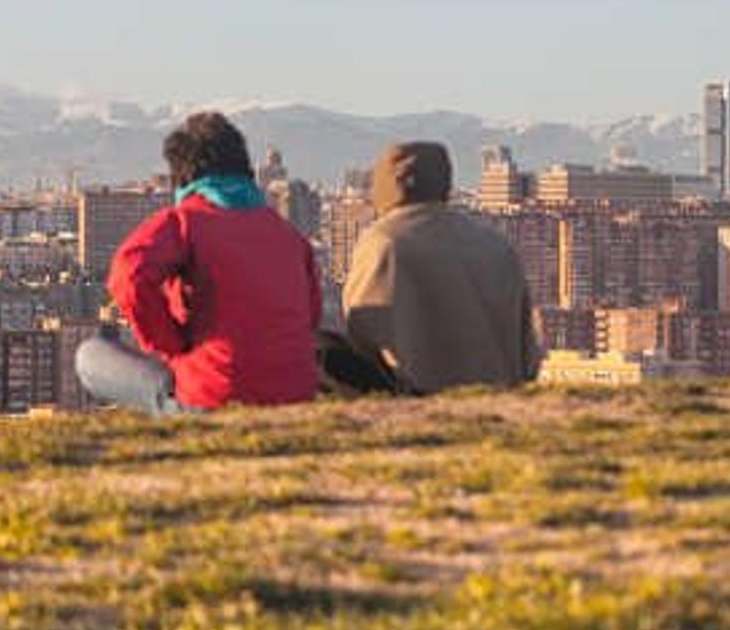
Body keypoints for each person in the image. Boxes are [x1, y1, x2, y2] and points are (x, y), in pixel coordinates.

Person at [77, 112, 321, 414]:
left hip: (210, 398)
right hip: (296, 399)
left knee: (90, 356)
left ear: (182, 178)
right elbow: (311, 316)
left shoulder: (186, 222)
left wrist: (170, 343)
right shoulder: (289, 236)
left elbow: (128, 274)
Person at [340, 141, 539, 395]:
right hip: (500, 405)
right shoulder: (494, 243)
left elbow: (363, 334)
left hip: (414, 404)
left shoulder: (384, 241)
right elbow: (528, 352)